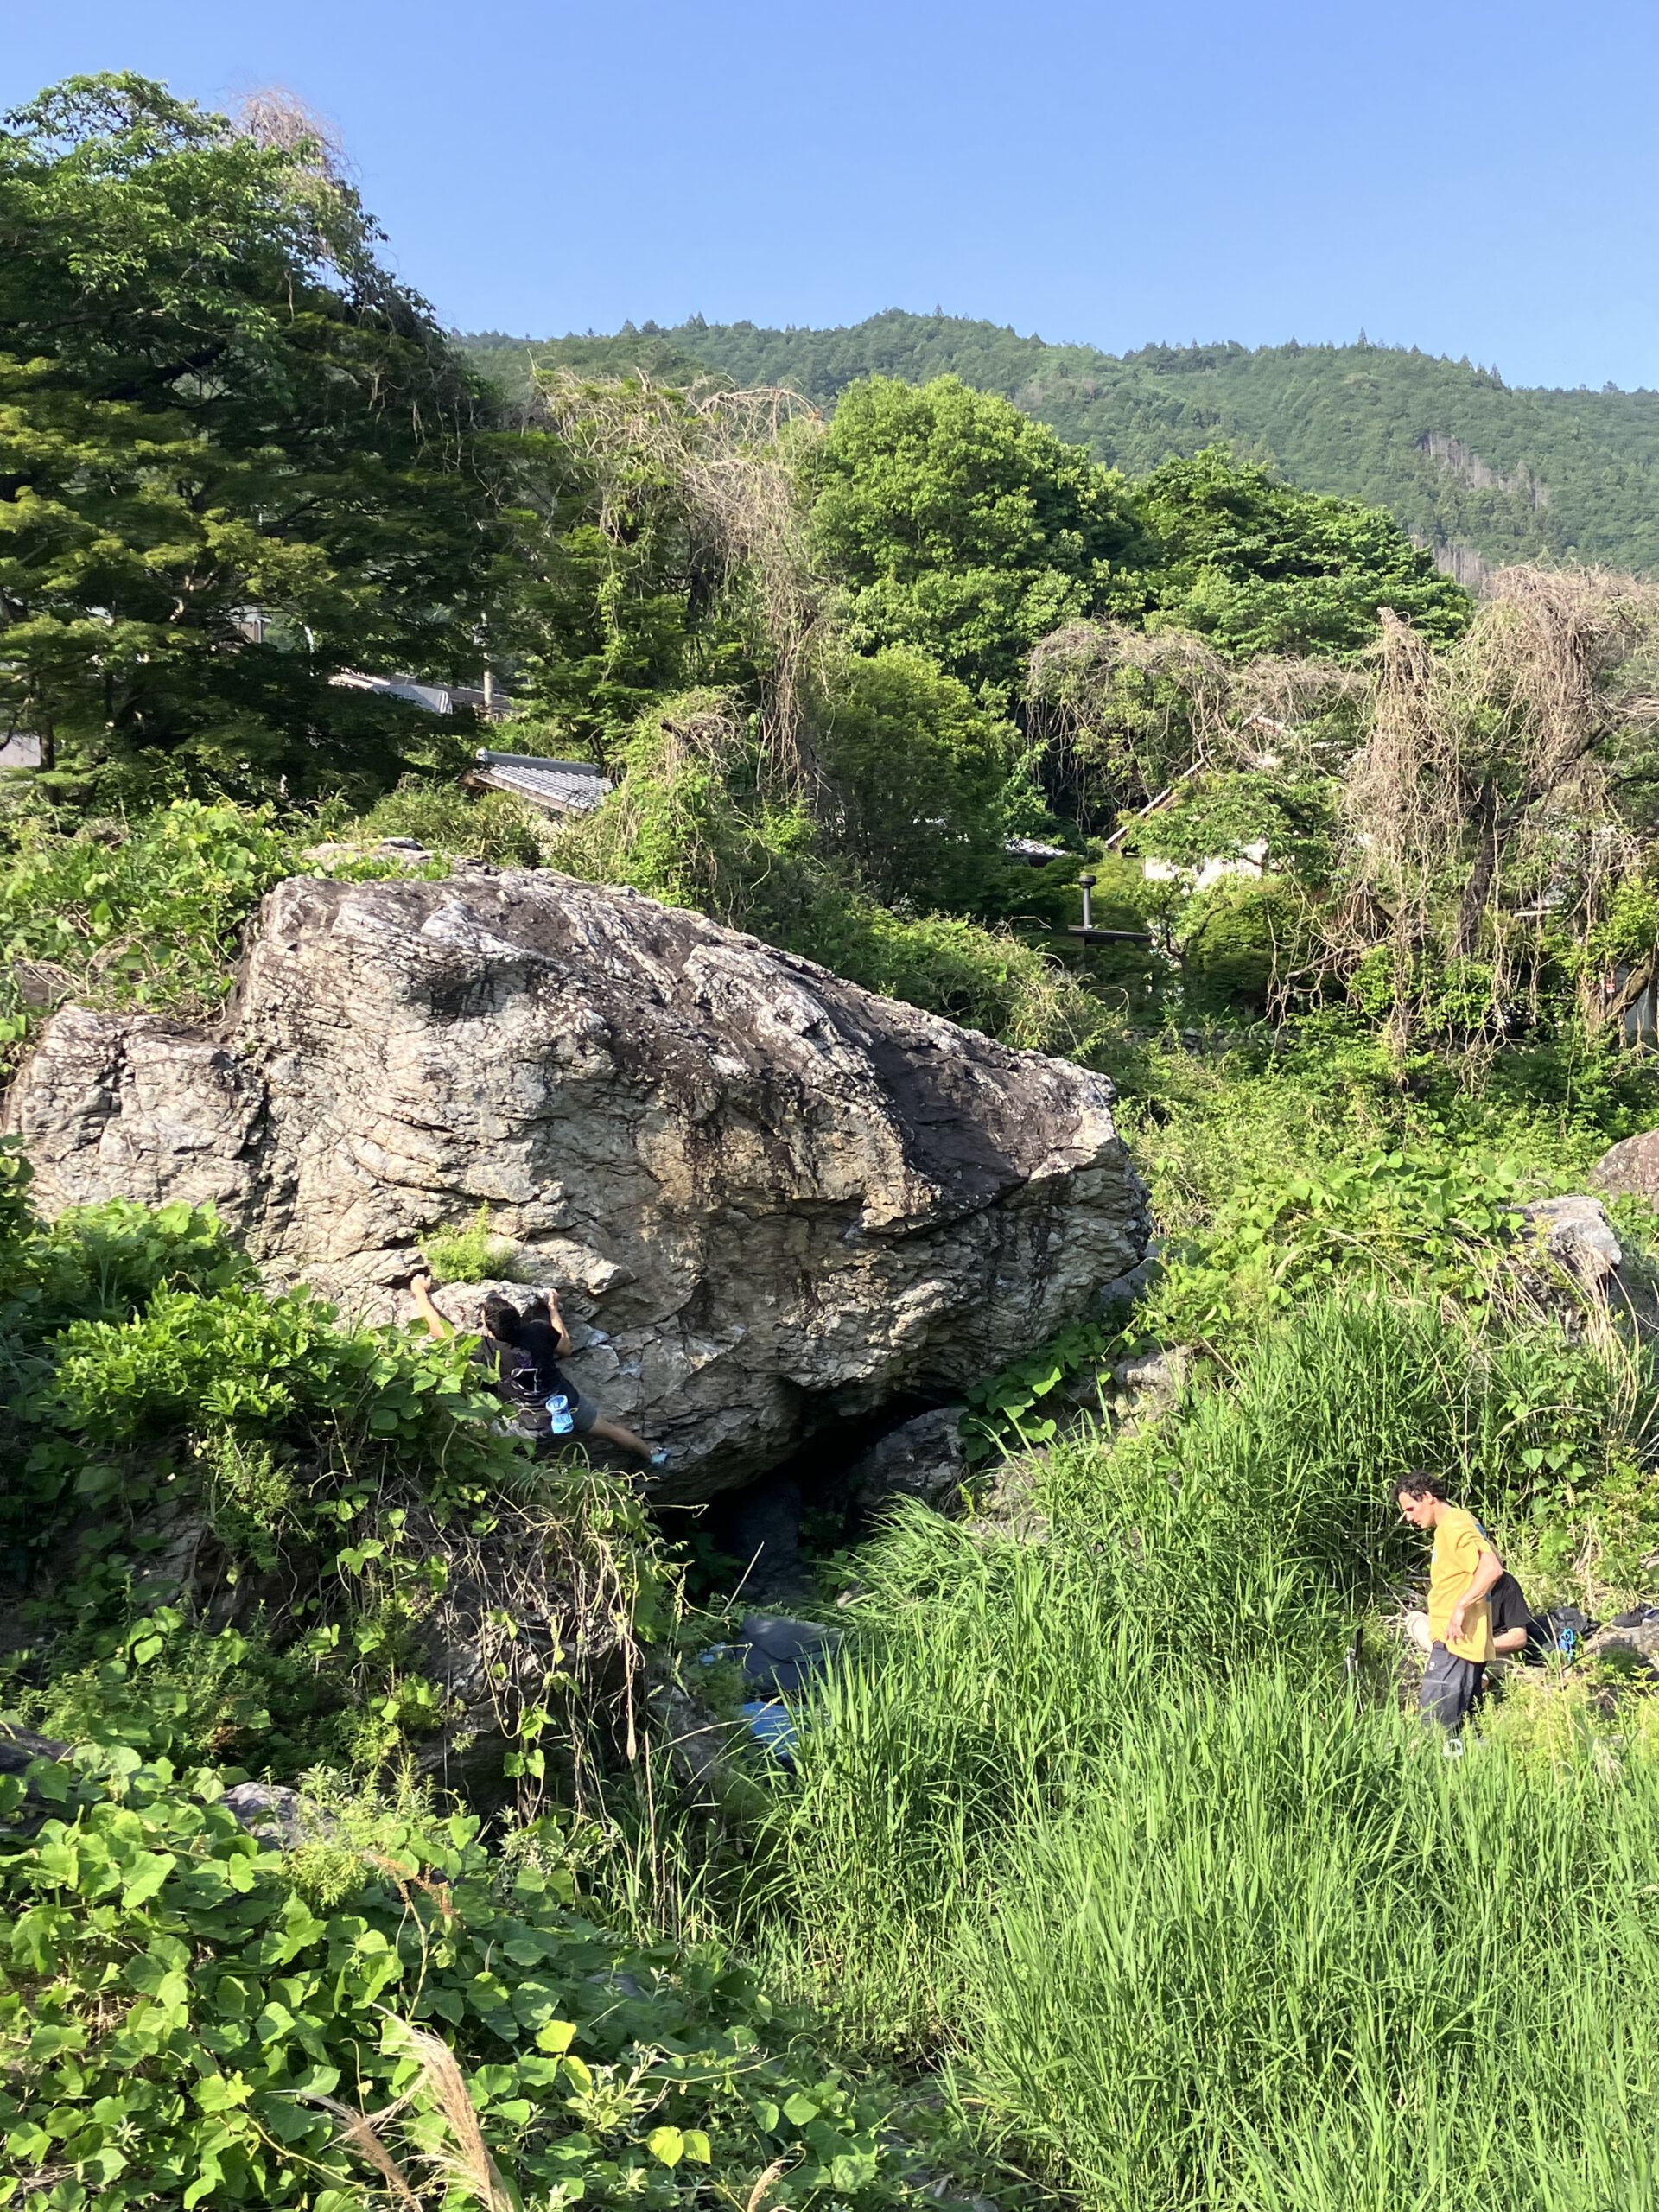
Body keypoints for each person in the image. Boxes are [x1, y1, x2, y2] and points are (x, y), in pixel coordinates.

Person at [410, 1274, 666, 1465]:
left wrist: (419, 1292)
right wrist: (553, 1308)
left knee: (481, 1433)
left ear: (489, 1329)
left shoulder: (484, 1348)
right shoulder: (537, 1331)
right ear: (519, 1320)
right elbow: (565, 1347)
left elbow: (438, 1329)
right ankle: (653, 1454)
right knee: (610, 1430)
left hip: (528, 1424)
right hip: (566, 1407)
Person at [1395, 1470, 1501, 1744]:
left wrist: (1460, 1607)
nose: (1409, 1518)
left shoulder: (1454, 1525)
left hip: (1455, 1643)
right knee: (1463, 1737)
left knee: (1435, 1733)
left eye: (1410, 1509)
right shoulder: (1458, 1522)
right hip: (1460, 1643)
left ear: (1428, 1497)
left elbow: (1492, 1567)